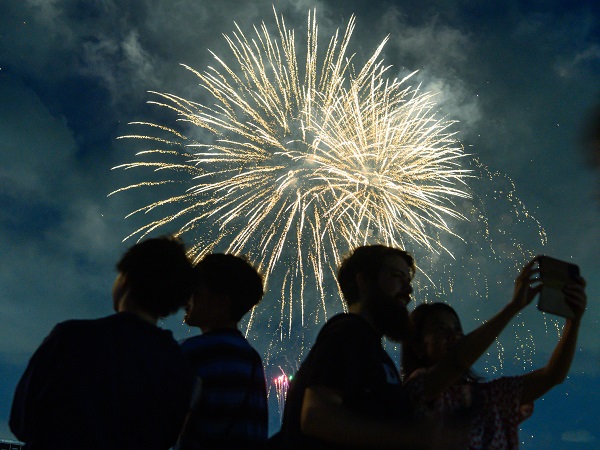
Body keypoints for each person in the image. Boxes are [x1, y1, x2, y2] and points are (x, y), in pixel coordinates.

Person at [9, 235, 196, 450]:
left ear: (125, 279)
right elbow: (168, 437)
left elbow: (21, 421)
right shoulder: (179, 365)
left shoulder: (71, 338)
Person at [278, 244, 463, 450]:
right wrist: (412, 435)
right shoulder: (348, 332)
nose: (409, 290)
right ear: (364, 281)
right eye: (397, 276)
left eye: (408, 281)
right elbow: (315, 417)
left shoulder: (372, 349)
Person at [402, 258, 587, 450]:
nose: (453, 335)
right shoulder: (416, 390)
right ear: (418, 347)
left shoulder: (490, 396)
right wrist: (513, 307)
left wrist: (573, 322)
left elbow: (552, 375)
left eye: (457, 329)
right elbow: (457, 361)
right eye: (439, 329)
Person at [176, 253, 268, 450]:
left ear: (221, 301)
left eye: (196, 292)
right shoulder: (252, 359)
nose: (187, 301)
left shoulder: (194, 351)